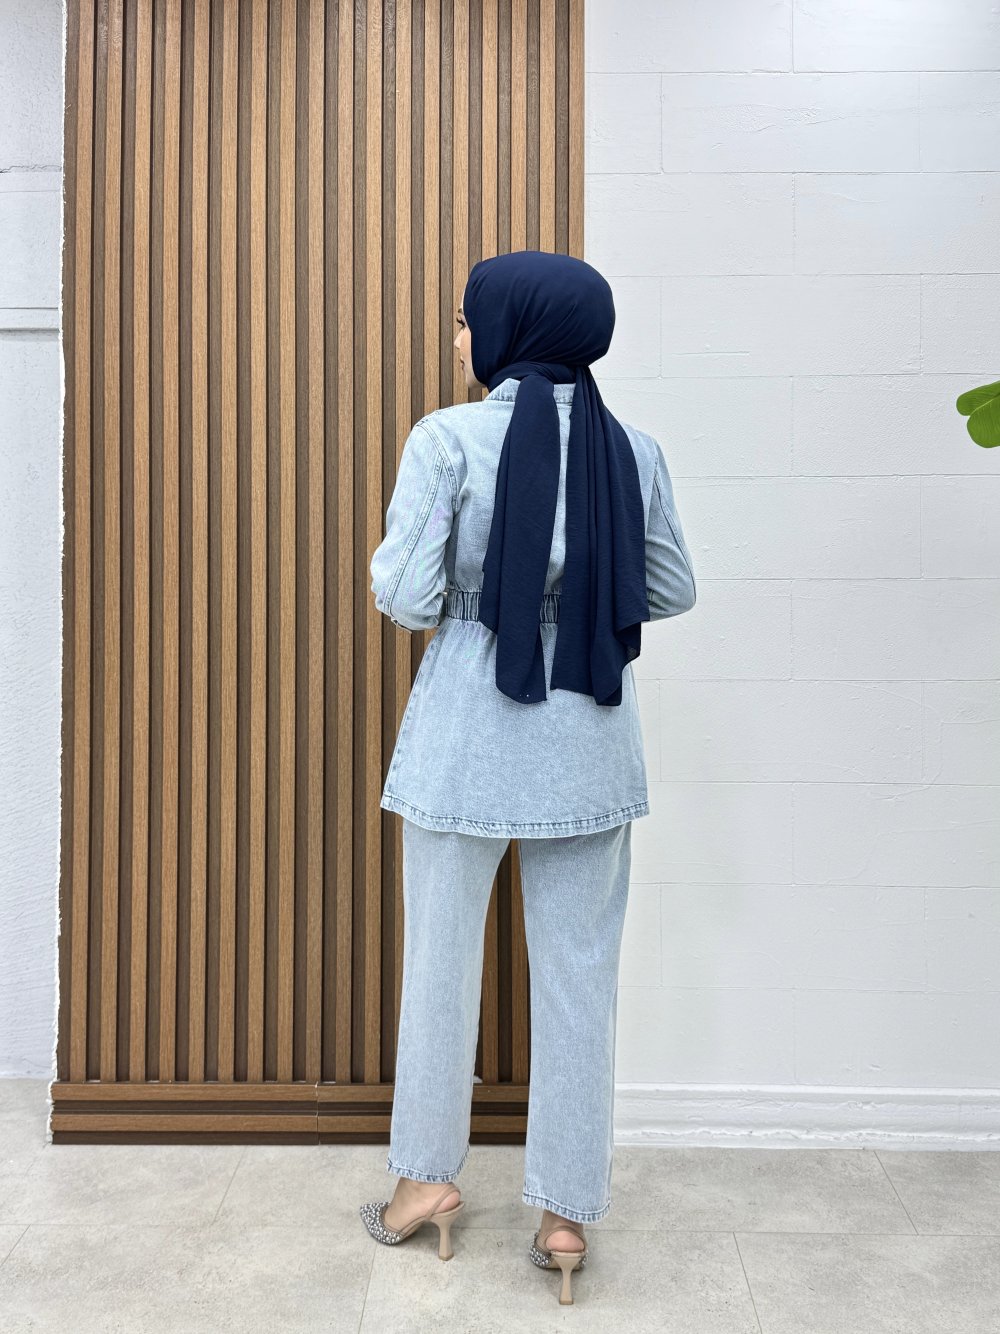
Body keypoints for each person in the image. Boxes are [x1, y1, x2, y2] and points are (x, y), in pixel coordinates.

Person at [359, 249, 697, 1304]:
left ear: (512, 329)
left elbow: (406, 596)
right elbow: (670, 586)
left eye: (467, 319)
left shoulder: (447, 439)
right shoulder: (632, 449)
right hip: (589, 735)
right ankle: (563, 1215)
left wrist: (480, 587)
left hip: (468, 731)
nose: (458, 336)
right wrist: (579, 590)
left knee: (440, 964)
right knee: (580, 978)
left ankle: (424, 1183)